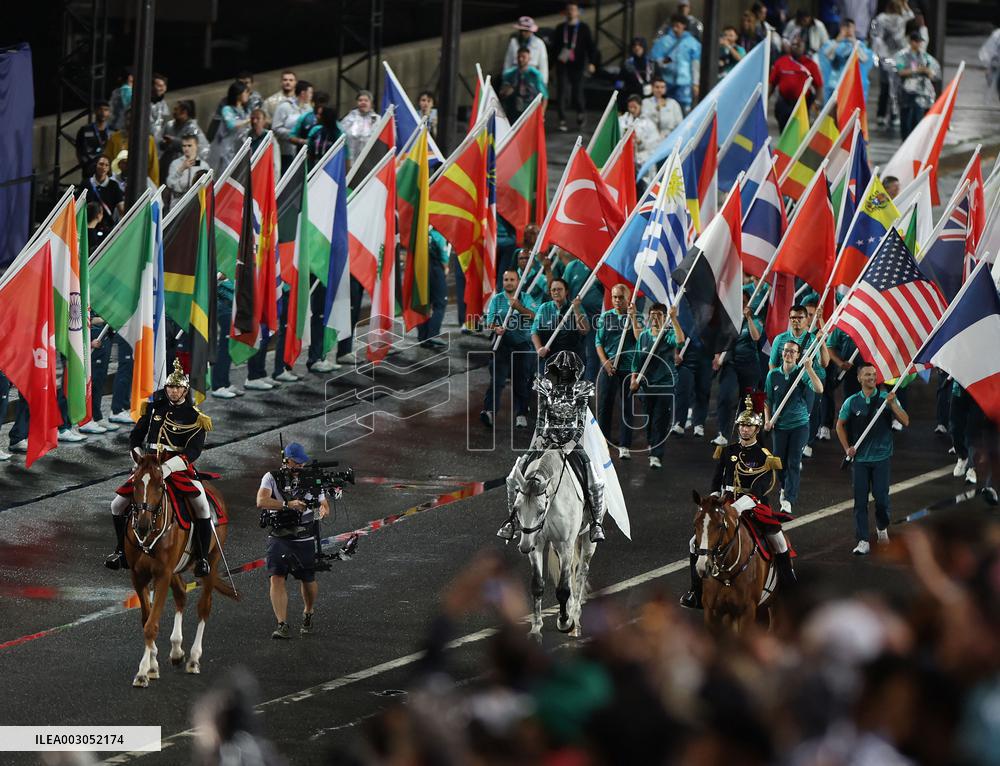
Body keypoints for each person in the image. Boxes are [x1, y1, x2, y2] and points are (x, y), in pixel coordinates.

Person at [679, 397, 793, 610]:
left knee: (778, 539)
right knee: (694, 542)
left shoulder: (764, 456)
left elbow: (761, 487)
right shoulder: (728, 450)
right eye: (741, 425)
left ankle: (788, 584)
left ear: (757, 429)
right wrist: (713, 500)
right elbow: (717, 477)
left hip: (752, 504)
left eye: (749, 425)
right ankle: (696, 591)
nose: (744, 429)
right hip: (724, 502)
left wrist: (737, 507)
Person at [105, 360, 215, 576]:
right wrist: (137, 457)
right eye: (170, 387)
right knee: (117, 505)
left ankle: (202, 558)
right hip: (147, 465)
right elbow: (136, 435)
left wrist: (168, 468)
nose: (173, 392)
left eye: (178, 388)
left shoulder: (195, 417)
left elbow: (193, 452)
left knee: (202, 506)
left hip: (177, 468)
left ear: (185, 390)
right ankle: (121, 551)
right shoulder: (154, 408)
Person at [497, 351, 607, 543]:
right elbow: (541, 417)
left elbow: (580, 422)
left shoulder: (581, 389)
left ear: (574, 371)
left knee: (593, 479)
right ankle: (512, 520)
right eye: (561, 368)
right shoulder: (546, 388)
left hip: (571, 443)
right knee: (516, 473)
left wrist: (572, 443)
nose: (564, 372)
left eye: (568, 369)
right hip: (547, 439)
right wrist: (539, 436)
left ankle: (596, 522)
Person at [256, 442, 330, 639]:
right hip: (279, 535)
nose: (300, 467)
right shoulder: (271, 477)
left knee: (308, 579)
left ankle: (308, 611)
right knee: (277, 577)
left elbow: (324, 504)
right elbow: (261, 501)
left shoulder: (311, 478)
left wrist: (322, 510)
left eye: (301, 463)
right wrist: (287, 504)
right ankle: (282, 624)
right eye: (296, 463)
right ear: (286, 460)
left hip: (304, 536)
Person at [836, 360, 909, 555]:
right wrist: (847, 448)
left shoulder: (887, 398)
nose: (871, 378)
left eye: (874, 375)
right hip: (860, 460)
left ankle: (882, 527)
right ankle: (862, 540)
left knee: (882, 500)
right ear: (859, 378)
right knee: (860, 502)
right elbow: (839, 425)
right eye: (867, 375)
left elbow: (906, 421)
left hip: (881, 458)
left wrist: (893, 404)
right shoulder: (851, 402)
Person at [764, 339, 825, 515]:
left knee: (793, 462)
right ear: (781, 353)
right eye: (786, 351)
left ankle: (789, 499)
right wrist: (768, 420)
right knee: (778, 463)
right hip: (780, 426)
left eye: (792, 351)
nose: (788, 354)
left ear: (798, 355)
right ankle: (784, 487)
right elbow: (767, 400)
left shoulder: (802, 373)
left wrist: (809, 368)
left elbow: (819, 388)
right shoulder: (772, 375)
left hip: (799, 425)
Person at [630, 302, 684, 469]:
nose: (654, 317)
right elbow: (636, 360)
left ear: (664, 317)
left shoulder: (668, 334)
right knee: (649, 417)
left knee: (660, 420)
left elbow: (680, 340)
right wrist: (634, 379)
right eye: (652, 314)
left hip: (665, 384)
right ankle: (652, 442)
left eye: (659, 315)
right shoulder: (644, 336)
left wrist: (674, 319)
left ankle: (656, 454)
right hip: (647, 385)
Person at [482, 269, 536, 429]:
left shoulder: (526, 298)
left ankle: (521, 414)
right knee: (497, 381)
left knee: (521, 381)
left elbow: (535, 316)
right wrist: (496, 328)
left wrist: (519, 307)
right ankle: (489, 412)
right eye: (506, 280)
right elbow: (489, 321)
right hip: (502, 346)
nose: (509, 282)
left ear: (518, 282)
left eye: (512, 279)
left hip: (522, 346)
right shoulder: (497, 299)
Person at [713, 297, 764, 446]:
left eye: (743, 302)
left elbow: (756, 337)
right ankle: (723, 433)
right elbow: (719, 339)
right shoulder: (727, 319)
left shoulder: (755, 320)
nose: (739, 305)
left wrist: (747, 317)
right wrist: (717, 356)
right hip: (730, 364)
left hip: (749, 366)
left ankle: (745, 436)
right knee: (725, 395)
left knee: (747, 402)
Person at [595, 285, 639, 459]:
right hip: (608, 368)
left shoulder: (636, 317)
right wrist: (605, 362)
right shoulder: (605, 317)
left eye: (620, 297)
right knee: (604, 406)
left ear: (628, 298)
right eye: (614, 297)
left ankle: (624, 445)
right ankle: (602, 442)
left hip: (627, 368)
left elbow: (639, 338)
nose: (617, 301)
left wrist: (633, 317)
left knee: (626, 408)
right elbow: (598, 342)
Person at [552, 2, 598, 132]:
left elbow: (591, 47)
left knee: (577, 92)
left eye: (573, 10)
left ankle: (581, 112)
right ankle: (562, 119)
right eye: (569, 10)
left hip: (578, 65)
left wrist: (592, 63)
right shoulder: (561, 28)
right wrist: (552, 66)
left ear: (578, 12)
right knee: (562, 92)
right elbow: (554, 49)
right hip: (563, 65)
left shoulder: (583, 28)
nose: (571, 12)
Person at [531, 278, 589, 364]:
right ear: (550, 292)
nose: (556, 292)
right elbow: (534, 332)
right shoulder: (544, 308)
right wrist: (539, 348)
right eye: (553, 290)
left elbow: (584, 330)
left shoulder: (576, 307)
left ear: (566, 291)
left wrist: (576, 310)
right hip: (550, 358)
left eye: (559, 289)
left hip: (572, 358)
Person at [871, 0, 909, 129]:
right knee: (896, 87)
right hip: (897, 58)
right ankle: (894, 115)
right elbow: (911, 15)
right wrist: (905, 4)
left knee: (885, 86)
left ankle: (881, 115)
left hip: (884, 57)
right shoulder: (900, 19)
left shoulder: (880, 18)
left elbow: (875, 35)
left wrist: (876, 53)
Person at [651, 14, 702, 114]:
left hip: (685, 82)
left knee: (684, 110)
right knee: (667, 109)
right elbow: (655, 59)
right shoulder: (664, 41)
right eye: (674, 24)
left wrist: (695, 83)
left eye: (679, 24)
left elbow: (695, 64)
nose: (676, 26)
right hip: (667, 81)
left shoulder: (692, 42)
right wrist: (667, 62)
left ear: (684, 26)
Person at [770, 37, 823, 130]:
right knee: (784, 132)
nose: (796, 47)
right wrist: (765, 99)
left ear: (804, 47)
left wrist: (817, 103)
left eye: (799, 45)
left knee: (799, 135)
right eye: (793, 44)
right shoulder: (781, 62)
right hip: (784, 104)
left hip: (802, 105)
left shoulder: (811, 65)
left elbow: (819, 86)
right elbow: (772, 83)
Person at [895, 31, 940, 139]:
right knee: (906, 120)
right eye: (917, 41)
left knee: (917, 119)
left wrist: (929, 72)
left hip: (920, 92)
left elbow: (933, 72)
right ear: (911, 42)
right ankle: (905, 142)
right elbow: (900, 71)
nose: (919, 44)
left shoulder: (924, 56)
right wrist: (917, 70)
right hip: (906, 92)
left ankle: (914, 143)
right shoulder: (902, 55)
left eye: (920, 42)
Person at [102, 108, 160, 186]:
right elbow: (107, 160)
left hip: (141, 182)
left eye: (134, 119)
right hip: (118, 181)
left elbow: (153, 166)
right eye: (128, 119)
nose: (131, 122)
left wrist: (154, 186)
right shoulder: (115, 138)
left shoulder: (148, 140)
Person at [820, 19, 873, 101]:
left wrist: (853, 41)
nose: (848, 30)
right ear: (841, 28)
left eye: (850, 27)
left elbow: (864, 59)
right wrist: (838, 40)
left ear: (854, 29)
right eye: (845, 27)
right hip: (835, 83)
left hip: (852, 83)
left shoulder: (859, 44)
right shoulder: (832, 43)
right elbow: (828, 56)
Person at [208, 81, 251, 175]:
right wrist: (248, 120)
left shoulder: (245, 110)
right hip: (226, 151)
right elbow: (231, 125)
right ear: (238, 94)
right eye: (246, 92)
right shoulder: (227, 109)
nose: (248, 95)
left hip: (240, 148)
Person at [272, 79, 314, 173]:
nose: (311, 95)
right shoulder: (285, 107)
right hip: (287, 153)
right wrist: (294, 136)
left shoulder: (309, 109)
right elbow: (276, 128)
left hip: (304, 152)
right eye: (310, 92)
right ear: (303, 93)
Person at [159, 99, 209, 171]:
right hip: (166, 166)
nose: (173, 112)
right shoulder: (169, 125)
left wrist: (174, 141)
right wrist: (163, 143)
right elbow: (160, 143)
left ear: (184, 112)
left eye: (176, 109)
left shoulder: (193, 129)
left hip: (184, 169)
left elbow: (198, 149)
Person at [500, 47, 548, 120]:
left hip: (530, 110)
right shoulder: (509, 74)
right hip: (513, 111)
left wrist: (542, 113)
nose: (521, 59)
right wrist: (506, 92)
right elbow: (502, 92)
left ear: (529, 58)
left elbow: (544, 96)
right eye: (519, 57)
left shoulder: (535, 75)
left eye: (523, 57)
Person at [503, 16, 549, 86]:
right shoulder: (513, 42)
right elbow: (508, 62)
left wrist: (543, 83)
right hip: (515, 75)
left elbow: (543, 65)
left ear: (531, 31)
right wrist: (505, 79)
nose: (523, 33)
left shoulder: (539, 43)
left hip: (532, 76)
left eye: (526, 31)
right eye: (521, 30)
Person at [619, 95, 660, 169]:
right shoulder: (621, 121)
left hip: (643, 161)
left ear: (640, 106)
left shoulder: (648, 123)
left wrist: (641, 143)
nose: (632, 110)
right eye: (630, 107)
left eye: (635, 107)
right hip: (624, 159)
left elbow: (655, 144)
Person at [86, 155, 124, 235]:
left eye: (107, 165)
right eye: (101, 164)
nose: (104, 167)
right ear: (96, 165)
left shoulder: (114, 185)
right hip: (88, 227)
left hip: (107, 228)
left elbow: (121, 209)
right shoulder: (86, 183)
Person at [75, 100, 111, 181]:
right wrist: (84, 164)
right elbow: (79, 149)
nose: (103, 112)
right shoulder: (85, 130)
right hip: (90, 168)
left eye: (106, 110)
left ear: (109, 113)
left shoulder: (112, 132)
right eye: (100, 109)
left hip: (107, 169)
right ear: (95, 111)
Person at [341, 90, 380, 164]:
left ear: (371, 103)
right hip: (350, 162)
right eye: (360, 100)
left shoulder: (377, 120)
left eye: (366, 100)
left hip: (370, 162)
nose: (363, 102)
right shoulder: (349, 118)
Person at [619, 37, 663, 103]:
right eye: (634, 46)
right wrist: (620, 98)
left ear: (644, 47)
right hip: (632, 99)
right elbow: (619, 81)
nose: (637, 48)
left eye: (640, 45)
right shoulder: (627, 65)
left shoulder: (652, 64)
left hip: (651, 99)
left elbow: (660, 81)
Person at [149, 72, 170, 144]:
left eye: (164, 86)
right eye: (160, 86)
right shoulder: (144, 103)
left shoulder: (162, 103)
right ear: (151, 87)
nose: (163, 89)